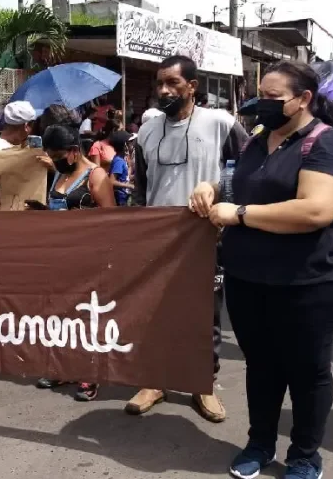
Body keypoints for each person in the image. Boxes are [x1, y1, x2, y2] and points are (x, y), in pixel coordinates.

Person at [190, 60, 333, 479]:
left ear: (303, 100)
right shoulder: (255, 142)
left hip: (309, 282)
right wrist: (212, 187)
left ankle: (304, 456)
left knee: (307, 371)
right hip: (250, 280)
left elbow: (316, 209)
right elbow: (236, 183)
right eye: (258, 93)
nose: (259, 103)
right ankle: (259, 443)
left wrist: (240, 214)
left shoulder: (328, 144)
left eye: (272, 97)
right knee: (261, 366)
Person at [129, 55, 248, 424]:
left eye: (173, 83)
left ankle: (203, 385)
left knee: (203, 314)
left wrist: (218, 192)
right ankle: (155, 381)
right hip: (157, 237)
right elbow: (142, 188)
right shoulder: (146, 132)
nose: (164, 90)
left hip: (205, 236)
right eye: (160, 83)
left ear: (192, 87)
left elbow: (249, 172)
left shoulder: (221, 124)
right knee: (154, 311)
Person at [34, 122, 116, 401]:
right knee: (62, 315)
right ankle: (65, 368)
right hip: (59, 258)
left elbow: (110, 219)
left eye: (57, 154)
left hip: (88, 260)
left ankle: (90, 374)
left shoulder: (96, 176)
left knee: (87, 317)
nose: (54, 159)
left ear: (72, 151)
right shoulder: (59, 175)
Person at [108, 131, 135, 206]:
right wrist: (130, 186)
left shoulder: (123, 159)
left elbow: (126, 177)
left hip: (124, 197)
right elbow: (112, 181)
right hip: (120, 199)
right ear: (124, 145)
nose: (132, 144)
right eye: (130, 142)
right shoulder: (119, 161)